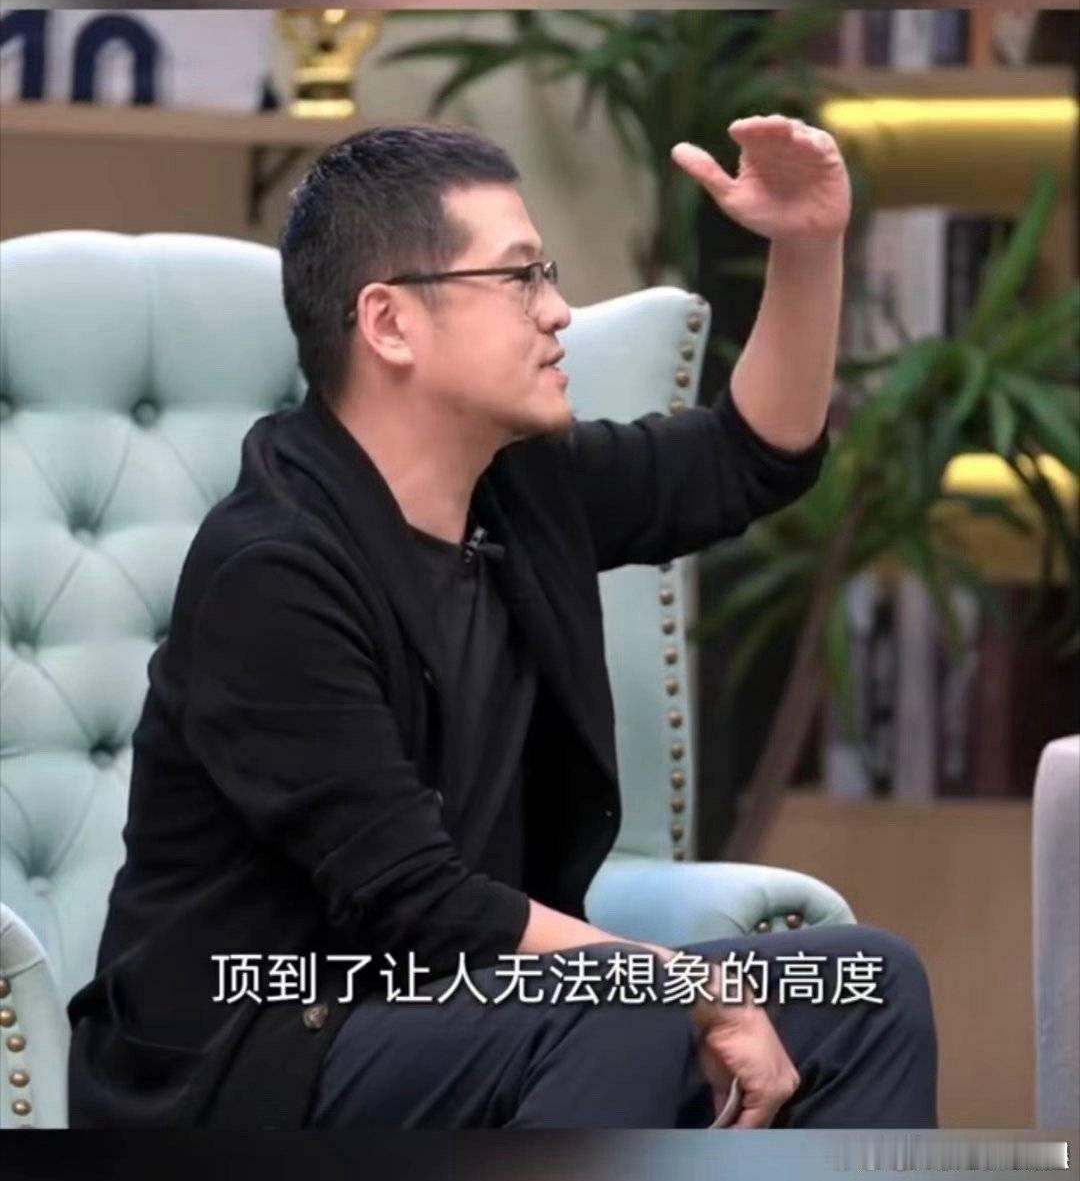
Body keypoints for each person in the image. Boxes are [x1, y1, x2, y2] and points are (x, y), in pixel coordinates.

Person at [68, 117, 937, 1131]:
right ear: (389, 321)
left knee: (866, 987)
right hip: (253, 1051)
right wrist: (675, 981)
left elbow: (748, 460)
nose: (558, 310)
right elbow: (418, 900)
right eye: (521, 277)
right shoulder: (272, 569)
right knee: (626, 999)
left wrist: (807, 244)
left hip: (471, 1003)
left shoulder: (522, 488)